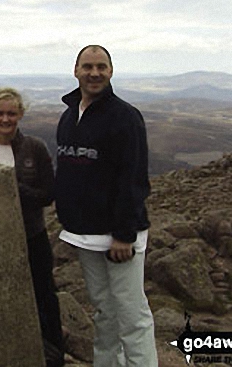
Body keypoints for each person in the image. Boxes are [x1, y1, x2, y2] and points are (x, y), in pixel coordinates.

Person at [55, 45, 158, 367]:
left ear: (111, 71)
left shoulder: (125, 117)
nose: (94, 73)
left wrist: (125, 235)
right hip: (85, 234)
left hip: (118, 236)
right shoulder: (70, 114)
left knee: (131, 314)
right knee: (104, 310)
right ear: (76, 70)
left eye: (101, 66)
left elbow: (133, 178)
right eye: (88, 66)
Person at [0, 87, 65, 367]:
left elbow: (48, 195)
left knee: (44, 296)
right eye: (0, 113)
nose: (5, 119)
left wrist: (7, 182)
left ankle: (53, 354)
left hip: (32, 236)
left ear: (20, 114)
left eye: (11, 113)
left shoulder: (35, 148)